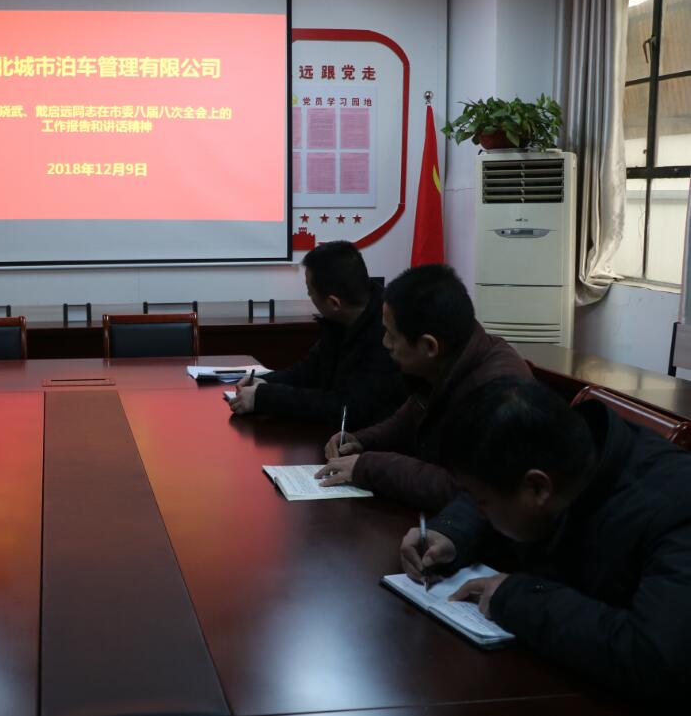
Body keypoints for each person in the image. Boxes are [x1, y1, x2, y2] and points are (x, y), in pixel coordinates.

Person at [399, 377, 691, 703]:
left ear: (538, 488)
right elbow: (494, 485)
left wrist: (518, 597)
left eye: (481, 503)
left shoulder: (677, 509)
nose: (478, 511)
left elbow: (654, 657)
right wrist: (451, 532)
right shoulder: (567, 452)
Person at [316, 264, 531, 512]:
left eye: (392, 335)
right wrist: (361, 440)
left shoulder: (498, 393)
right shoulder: (451, 354)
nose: (385, 343)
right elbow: (408, 419)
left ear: (429, 346)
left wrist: (368, 466)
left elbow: (467, 492)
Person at [227, 241, 404, 428]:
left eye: (310, 292)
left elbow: (346, 408)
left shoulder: (387, 334)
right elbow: (308, 372)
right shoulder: (340, 320)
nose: (309, 296)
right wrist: (264, 382)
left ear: (334, 303)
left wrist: (263, 397)